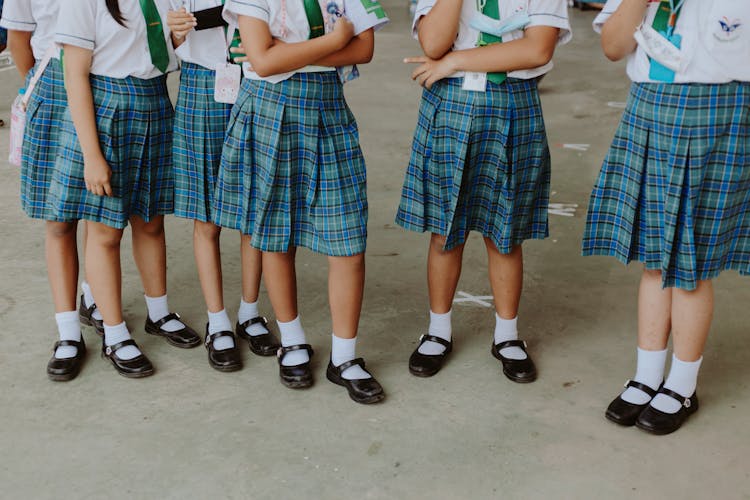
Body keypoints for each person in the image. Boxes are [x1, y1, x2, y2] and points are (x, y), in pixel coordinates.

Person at [583, 0, 750, 434]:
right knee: (655, 258)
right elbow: (613, 46)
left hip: (719, 114)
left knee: (693, 264)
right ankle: (647, 375)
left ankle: (682, 384)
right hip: (651, 109)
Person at [217, 0, 388, 403]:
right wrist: (334, 40)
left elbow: (364, 49)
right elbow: (261, 59)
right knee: (277, 234)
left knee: (348, 238)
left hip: (327, 106)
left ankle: (344, 357)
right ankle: (291, 341)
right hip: (268, 110)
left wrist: (289, 52)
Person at [397, 0, 570, 382]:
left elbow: (537, 48)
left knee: (505, 232)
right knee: (445, 229)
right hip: (450, 101)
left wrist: (456, 62)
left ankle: (507, 336)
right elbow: (433, 44)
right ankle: (438, 330)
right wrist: (447, 60)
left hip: (513, 101)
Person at [50, 0, 201, 378]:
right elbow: (74, 75)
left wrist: (179, 37)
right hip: (107, 107)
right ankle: (115, 335)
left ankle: (159, 312)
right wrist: (92, 155)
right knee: (106, 231)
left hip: (155, 101)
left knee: (150, 220)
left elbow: (161, 53)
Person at [166, 1, 279, 372]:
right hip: (201, 81)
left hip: (258, 78)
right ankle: (218, 321)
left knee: (254, 208)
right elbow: (161, 35)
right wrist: (176, 30)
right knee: (206, 213)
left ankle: (249, 312)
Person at [0, 0, 107, 381]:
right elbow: (18, 40)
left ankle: (95, 299)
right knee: (59, 220)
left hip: (106, 87)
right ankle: (67, 332)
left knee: (101, 212)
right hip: (54, 92)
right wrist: (42, 91)